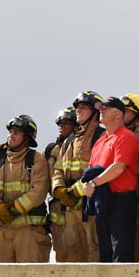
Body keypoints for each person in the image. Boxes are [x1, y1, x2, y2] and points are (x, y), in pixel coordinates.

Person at [0, 114, 51, 263]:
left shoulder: (36, 160)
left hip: (28, 232)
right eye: (10, 132)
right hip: (0, 231)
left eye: (16, 132)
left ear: (27, 138)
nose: (11, 135)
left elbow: (38, 191)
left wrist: (13, 210)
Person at [82, 97, 139, 262]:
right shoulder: (100, 142)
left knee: (121, 253)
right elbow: (91, 170)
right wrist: (90, 185)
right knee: (105, 254)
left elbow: (118, 167)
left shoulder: (126, 137)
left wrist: (93, 184)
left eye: (106, 108)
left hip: (121, 203)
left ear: (118, 115)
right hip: (104, 203)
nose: (101, 110)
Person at [51, 91, 105, 262]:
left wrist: (74, 192)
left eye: (83, 107)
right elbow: (58, 168)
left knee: (94, 253)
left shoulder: (102, 136)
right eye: (77, 108)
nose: (78, 111)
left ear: (95, 112)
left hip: (91, 206)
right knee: (73, 253)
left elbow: (99, 171)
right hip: (70, 208)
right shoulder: (69, 140)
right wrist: (59, 189)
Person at [120, 92, 139, 262]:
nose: (122, 114)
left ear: (137, 113)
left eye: (127, 110)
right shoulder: (120, 133)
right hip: (128, 197)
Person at [44, 107, 77, 263]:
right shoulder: (51, 149)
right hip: (57, 208)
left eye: (66, 123)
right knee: (61, 254)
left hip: (76, 204)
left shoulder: (79, 146)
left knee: (79, 252)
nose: (61, 126)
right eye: (60, 123)